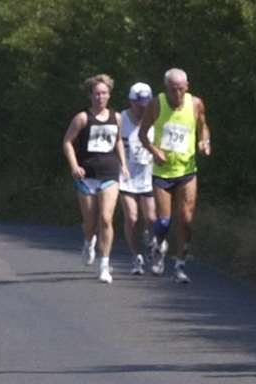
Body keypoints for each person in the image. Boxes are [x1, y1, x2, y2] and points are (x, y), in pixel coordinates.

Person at [135, 67, 211, 283]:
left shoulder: (195, 104)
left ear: (187, 87)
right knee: (165, 221)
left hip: (187, 171)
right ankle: (158, 246)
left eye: (180, 89)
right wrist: (154, 151)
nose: (176, 94)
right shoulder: (156, 104)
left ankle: (180, 265)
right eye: (172, 90)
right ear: (165, 88)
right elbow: (142, 134)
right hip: (162, 172)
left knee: (186, 220)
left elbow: (204, 127)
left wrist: (204, 141)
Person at [61, 74, 128, 284]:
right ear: (91, 95)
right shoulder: (82, 118)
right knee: (90, 221)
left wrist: (123, 164)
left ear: (109, 95)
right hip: (87, 175)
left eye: (104, 93)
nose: (100, 97)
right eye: (97, 93)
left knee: (106, 218)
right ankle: (89, 241)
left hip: (109, 173)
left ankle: (104, 264)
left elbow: (117, 141)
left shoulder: (116, 117)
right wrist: (74, 166)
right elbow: (67, 142)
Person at [117, 82, 158, 275]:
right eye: (139, 104)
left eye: (146, 104)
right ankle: (136, 256)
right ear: (131, 102)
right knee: (132, 218)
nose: (143, 108)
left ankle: (151, 239)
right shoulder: (121, 119)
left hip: (148, 175)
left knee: (151, 218)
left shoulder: (156, 119)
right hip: (126, 176)